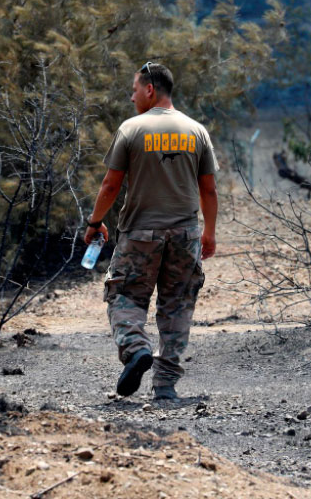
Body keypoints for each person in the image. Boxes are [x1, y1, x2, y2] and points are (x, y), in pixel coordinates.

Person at [83, 62, 218, 402]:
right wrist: (210, 233)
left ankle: (135, 347)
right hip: (185, 234)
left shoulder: (131, 129)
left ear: (150, 89)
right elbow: (210, 190)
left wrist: (94, 222)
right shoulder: (196, 131)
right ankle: (165, 386)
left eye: (134, 89)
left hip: (139, 233)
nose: (131, 97)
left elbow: (111, 184)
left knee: (124, 296)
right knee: (177, 306)